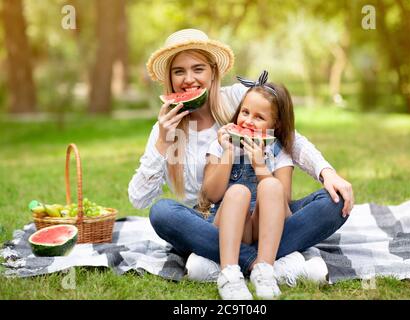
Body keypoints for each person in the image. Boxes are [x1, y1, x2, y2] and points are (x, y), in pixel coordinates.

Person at [128, 29, 354, 295]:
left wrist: (327, 172)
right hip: (209, 223)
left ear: (213, 71)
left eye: (198, 68)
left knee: (335, 201)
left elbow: (291, 141)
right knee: (162, 212)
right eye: (179, 71)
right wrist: (163, 142)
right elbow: (139, 199)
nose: (189, 79)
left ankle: (227, 265)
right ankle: (267, 265)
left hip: (268, 213)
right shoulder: (164, 128)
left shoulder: (236, 98)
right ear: (169, 77)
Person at [201, 71, 297, 299]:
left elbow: (285, 203)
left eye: (259, 117)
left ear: (277, 124)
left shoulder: (280, 154)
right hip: (233, 226)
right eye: (245, 112)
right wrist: (228, 153)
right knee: (238, 191)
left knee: (272, 187)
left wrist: (262, 167)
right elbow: (211, 195)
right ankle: (229, 272)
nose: (247, 122)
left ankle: (264, 268)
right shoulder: (221, 145)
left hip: (268, 229)